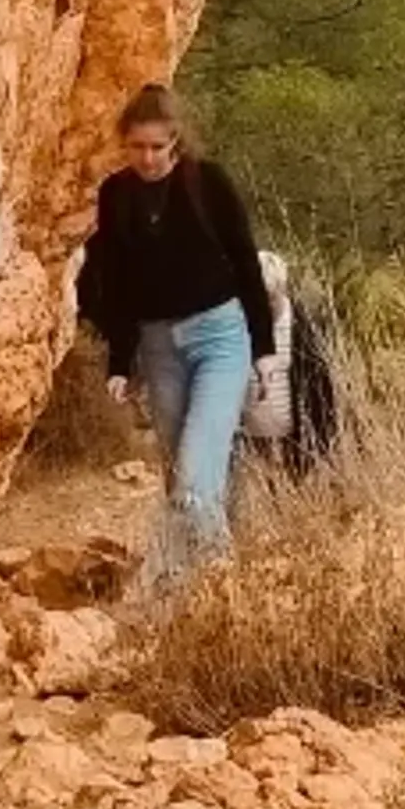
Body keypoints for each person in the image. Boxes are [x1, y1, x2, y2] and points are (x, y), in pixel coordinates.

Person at [78, 85, 277, 569]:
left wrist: (264, 348)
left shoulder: (207, 183)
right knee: (185, 475)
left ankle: (213, 577)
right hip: (158, 346)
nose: (146, 158)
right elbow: (116, 283)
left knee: (193, 473)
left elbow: (245, 262)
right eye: (136, 147)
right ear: (124, 144)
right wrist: (121, 362)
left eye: (157, 147)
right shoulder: (116, 195)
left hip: (220, 336)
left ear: (176, 143)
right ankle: (203, 580)